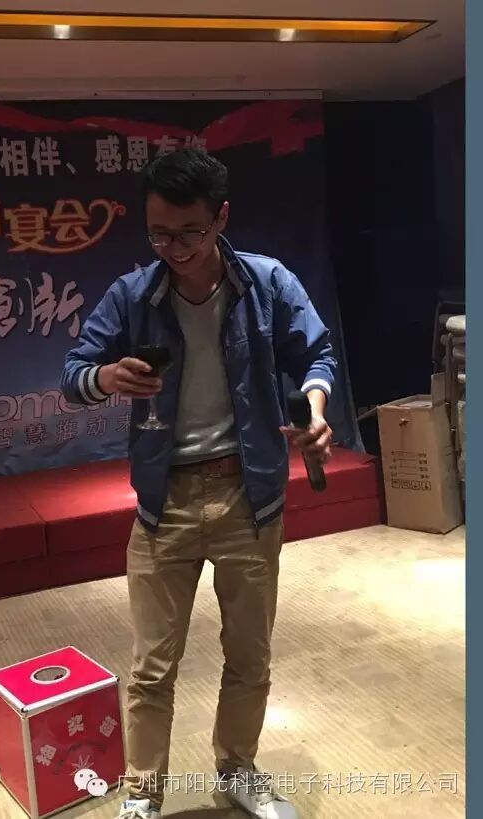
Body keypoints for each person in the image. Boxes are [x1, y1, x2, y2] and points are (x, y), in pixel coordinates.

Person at [61, 148, 336, 819]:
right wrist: (106, 377)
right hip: (166, 504)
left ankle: (237, 769)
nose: (175, 249)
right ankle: (142, 794)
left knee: (250, 656)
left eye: (190, 231)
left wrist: (316, 407)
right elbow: (72, 375)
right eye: (159, 234)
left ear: (222, 217)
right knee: (152, 666)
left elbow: (317, 354)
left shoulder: (267, 284)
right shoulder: (133, 296)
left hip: (250, 496)